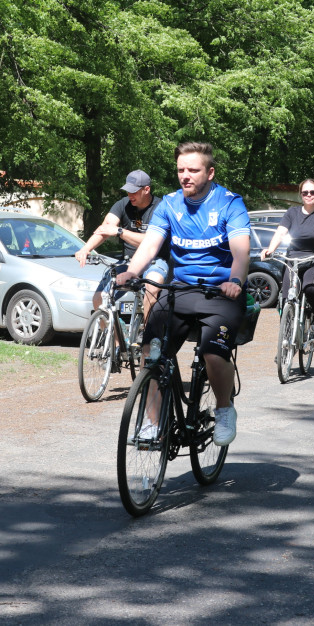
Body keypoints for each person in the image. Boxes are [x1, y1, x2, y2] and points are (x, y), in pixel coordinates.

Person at [117, 142, 250, 446]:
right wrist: (131, 273)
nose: (185, 176)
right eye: (181, 170)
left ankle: (225, 408)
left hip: (222, 293)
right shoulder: (170, 204)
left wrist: (235, 280)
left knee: (213, 353)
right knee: (152, 352)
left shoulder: (230, 203)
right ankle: (152, 423)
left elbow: (241, 252)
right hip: (181, 290)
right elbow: (150, 245)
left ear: (210, 172)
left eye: (193, 170)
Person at [75, 170, 170, 319]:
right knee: (99, 299)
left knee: (153, 286)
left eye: (134, 192)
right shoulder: (123, 205)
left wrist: (120, 232)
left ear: (147, 189)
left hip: (154, 260)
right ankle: (116, 342)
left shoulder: (161, 207)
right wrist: (86, 249)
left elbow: (151, 241)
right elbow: (106, 228)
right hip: (127, 262)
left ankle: (147, 336)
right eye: (128, 191)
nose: (130, 195)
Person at [261, 178, 314, 333]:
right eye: (305, 192)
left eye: (312, 192)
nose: (309, 195)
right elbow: (280, 232)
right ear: (301, 195)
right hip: (293, 260)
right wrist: (270, 250)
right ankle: (285, 339)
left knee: (311, 289)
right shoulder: (292, 213)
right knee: (286, 295)